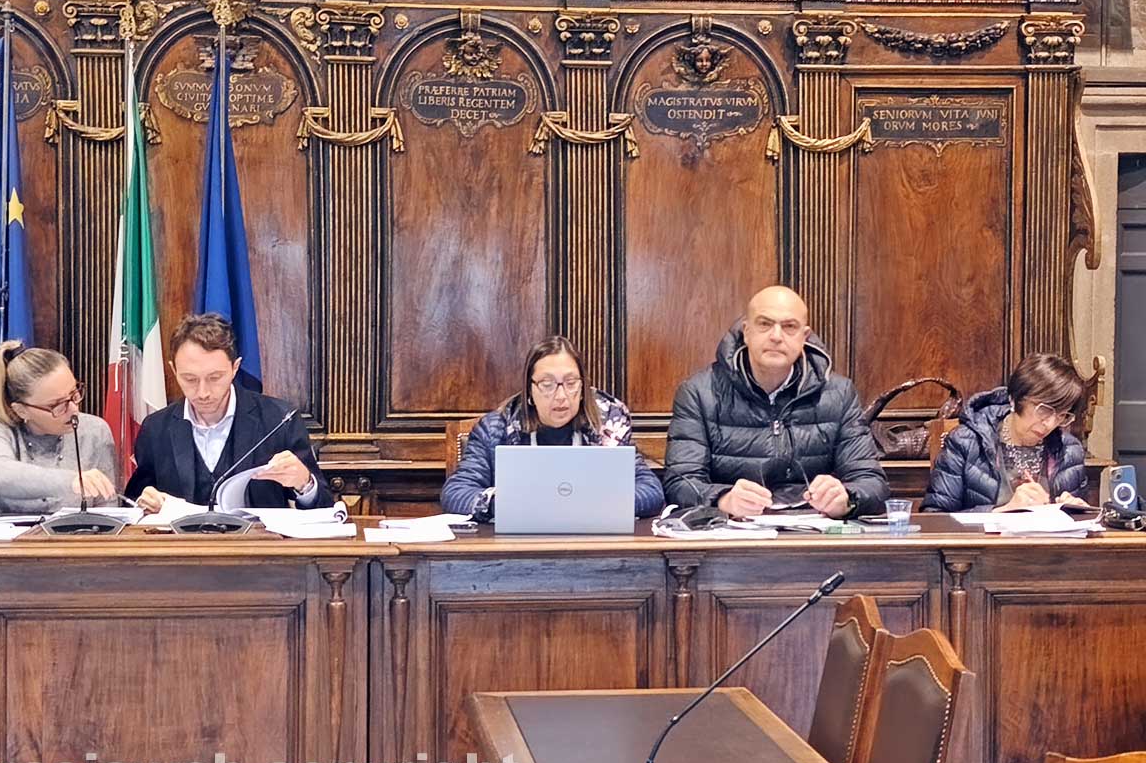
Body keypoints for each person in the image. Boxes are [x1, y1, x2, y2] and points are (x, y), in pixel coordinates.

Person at [664, 285, 889, 518]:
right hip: (734, 532)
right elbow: (680, 483)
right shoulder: (699, 393)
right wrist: (723, 499)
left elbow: (871, 482)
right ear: (746, 332)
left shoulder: (838, 393)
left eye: (789, 326)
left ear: (805, 336)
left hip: (813, 531)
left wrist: (846, 499)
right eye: (765, 324)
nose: (776, 336)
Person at [441, 335, 664, 521]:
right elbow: (456, 493)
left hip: (592, 542)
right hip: (517, 546)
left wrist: (597, 502)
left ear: (583, 387)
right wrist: (507, 504)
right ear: (529, 391)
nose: (561, 396)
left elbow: (651, 491)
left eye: (571, 383)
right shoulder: (496, 428)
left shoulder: (608, 424)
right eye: (547, 385)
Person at [126, 314, 332, 512]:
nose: (203, 392)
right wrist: (145, 501)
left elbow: (324, 507)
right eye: (190, 379)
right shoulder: (156, 428)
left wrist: (304, 483)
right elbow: (134, 500)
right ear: (174, 371)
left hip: (257, 537)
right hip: (182, 537)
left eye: (215, 378)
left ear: (235, 368)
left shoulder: (279, 420)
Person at [0, 341, 117, 514]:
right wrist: (71, 481)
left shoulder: (95, 431)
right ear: (21, 410)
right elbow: (0, 476)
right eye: (57, 405)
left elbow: (107, 508)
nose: (74, 409)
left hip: (64, 532)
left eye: (74, 393)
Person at [922, 353, 1088, 513]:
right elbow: (935, 516)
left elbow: (1074, 522)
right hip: (984, 534)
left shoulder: (1069, 450)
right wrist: (1003, 511)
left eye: (1061, 415)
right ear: (1014, 399)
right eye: (1044, 410)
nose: (1050, 424)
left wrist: (1076, 511)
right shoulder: (966, 441)